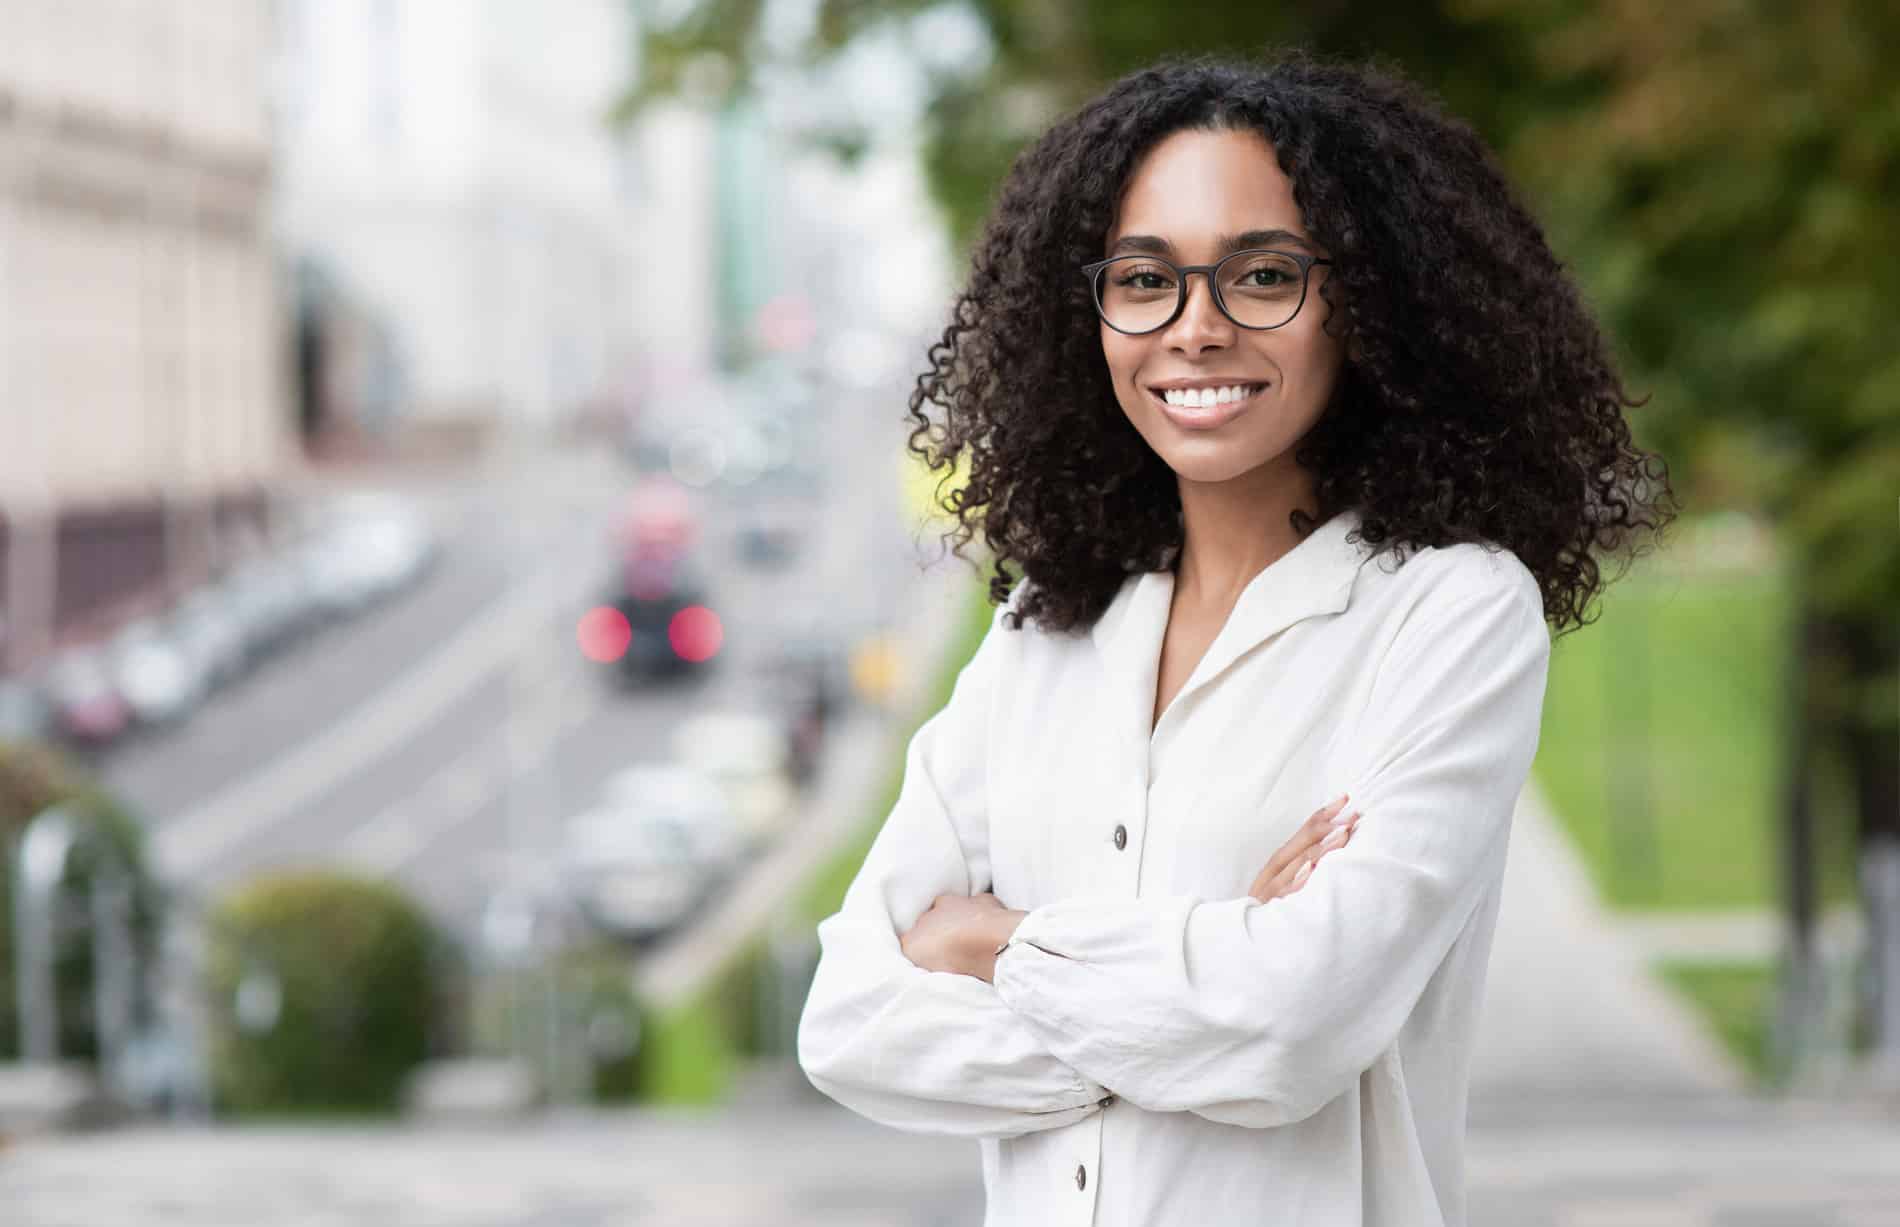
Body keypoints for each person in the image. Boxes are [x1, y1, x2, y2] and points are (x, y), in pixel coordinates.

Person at [797, 50, 1675, 1227]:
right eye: (1144, 278)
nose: (1195, 330)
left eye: (1262, 277)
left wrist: (990, 943)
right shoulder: (1040, 631)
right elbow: (848, 1023)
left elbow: (1292, 1029)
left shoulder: (1449, 613)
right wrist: (1207, 981)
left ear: (1367, 300)